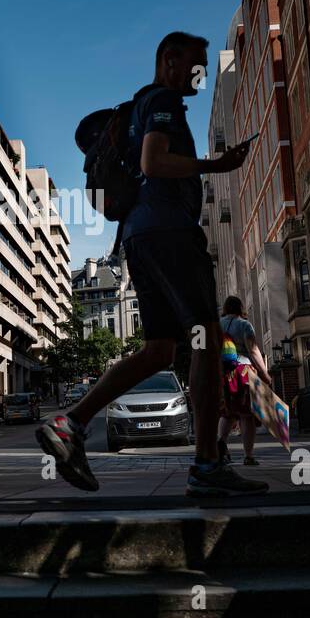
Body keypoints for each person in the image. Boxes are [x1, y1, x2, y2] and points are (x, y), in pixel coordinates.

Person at [36, 31, 268, 497]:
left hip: (140, 235)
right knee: (205, 340)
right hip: (169, 231)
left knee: (161, 350)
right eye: (196, 66)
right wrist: (216, 166)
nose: (201, 77)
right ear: (169, 59)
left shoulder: (141, 106)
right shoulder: (162, 100)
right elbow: (155, 160)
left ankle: (71, 422)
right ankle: (207, 466)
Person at [217, 296, 273, 467]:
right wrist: (265, 375)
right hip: (243, 372)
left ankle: (221, 446)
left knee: (227, 413)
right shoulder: (244, 325)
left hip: (223, 373)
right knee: (246, 415)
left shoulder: (217, 325)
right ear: (240, 308)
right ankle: (248, 455)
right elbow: (254, 350)